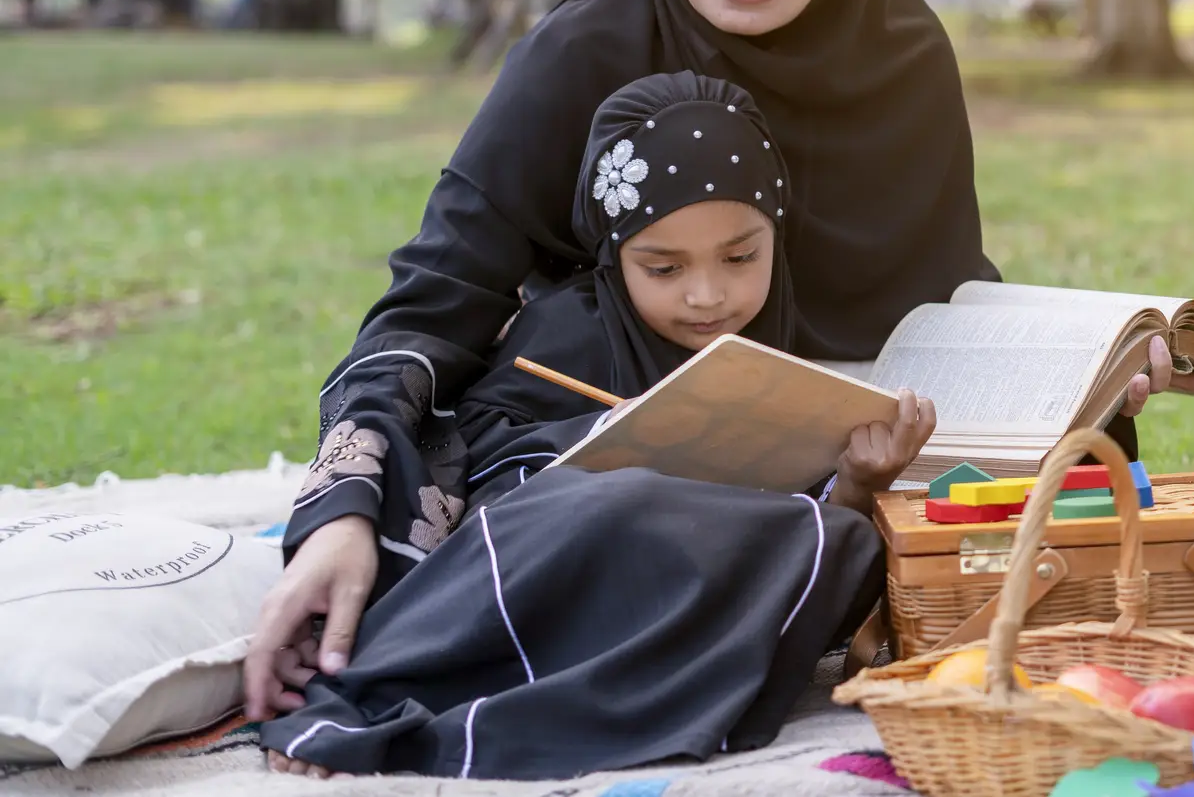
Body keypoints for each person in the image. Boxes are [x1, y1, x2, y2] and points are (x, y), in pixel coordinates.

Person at [246, 0, 1194, 723]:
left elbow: (941, 298)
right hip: (609, 467)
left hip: (859, 471)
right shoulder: (580, 58)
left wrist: (1081, 376)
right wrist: (339, 514)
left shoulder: (902, 62)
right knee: (577, 518)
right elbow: (429, 309)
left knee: (1070, 478)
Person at [259, 73, 926, 779]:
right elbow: (486, 476)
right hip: (568, 558)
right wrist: (602, 441)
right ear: (614, 254)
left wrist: (854, 481)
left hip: (688, 564)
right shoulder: (564, 333)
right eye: (663, 266)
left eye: (740, 256)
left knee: (838, 535)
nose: (708, 295)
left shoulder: (775, 342)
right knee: (624, 504)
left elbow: (790, 515)